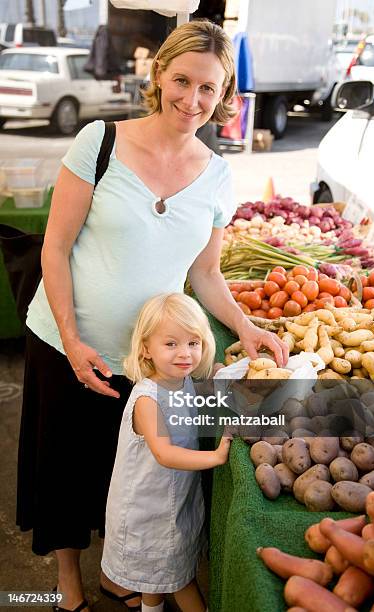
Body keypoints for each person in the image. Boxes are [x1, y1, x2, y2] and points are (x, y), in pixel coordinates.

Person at [16, 19, 289, 612]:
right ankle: (67, 581)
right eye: (182, 80)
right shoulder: (100, 142)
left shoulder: (217, 174)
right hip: (67, 337)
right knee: (64, 463)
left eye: (208, 89)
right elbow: (54, 247)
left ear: (224, 98)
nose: (191, 99)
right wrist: (70, 336)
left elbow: (206, 274)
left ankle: (122, 569)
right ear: (159, 73)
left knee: (130, 472)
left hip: (148, 357)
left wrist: (246, 327)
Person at [101, 293, 230, 612]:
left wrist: (219, 373)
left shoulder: (182, 379)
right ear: (146, 348)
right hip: (148, 511)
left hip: (171, 500)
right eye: (171, 344)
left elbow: (202, 387)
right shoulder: (148, 400)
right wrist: (215, 457)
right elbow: (164, 453)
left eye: (193, 343)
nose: (185, 354)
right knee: (179, 579)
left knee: (156, 581)